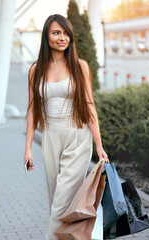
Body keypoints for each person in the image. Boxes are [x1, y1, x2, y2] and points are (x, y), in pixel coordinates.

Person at [23, 14, 109, 240]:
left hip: (77, 136)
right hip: (50, 136)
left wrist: (99, 145)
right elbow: (32, 109)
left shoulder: (80, 67)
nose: (62, 38)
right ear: (47, 36)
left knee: (62, 199)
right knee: (56, 200)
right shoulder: (35, 70)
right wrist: (28, 149)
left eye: (66, 33)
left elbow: (89, 105)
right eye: (56, 32)